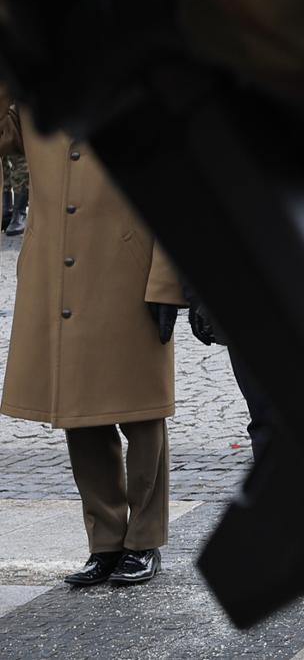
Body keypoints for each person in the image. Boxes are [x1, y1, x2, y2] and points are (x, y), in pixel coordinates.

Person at [1, 89, 183, 587]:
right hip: (57, 276)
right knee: (80, 412)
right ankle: (105, 541)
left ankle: (144, 540)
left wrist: (168, 280)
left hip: (128, 269)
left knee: (141, 411)